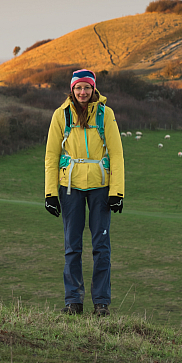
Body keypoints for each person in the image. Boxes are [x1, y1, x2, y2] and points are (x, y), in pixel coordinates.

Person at [44, 69, 125, 316]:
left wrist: (117, 192)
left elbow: (117, 153)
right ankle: (73, 302)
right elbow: (51, 155)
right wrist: (50, 194)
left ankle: (101, 303)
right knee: (72, 246)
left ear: (93, 89)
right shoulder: (61, 115)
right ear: (72, 90)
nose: (82, 92)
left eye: (87, 88)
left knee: (101, 246)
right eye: (78, 88)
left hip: (101, 187)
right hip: (70, 188)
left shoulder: (105, 114)